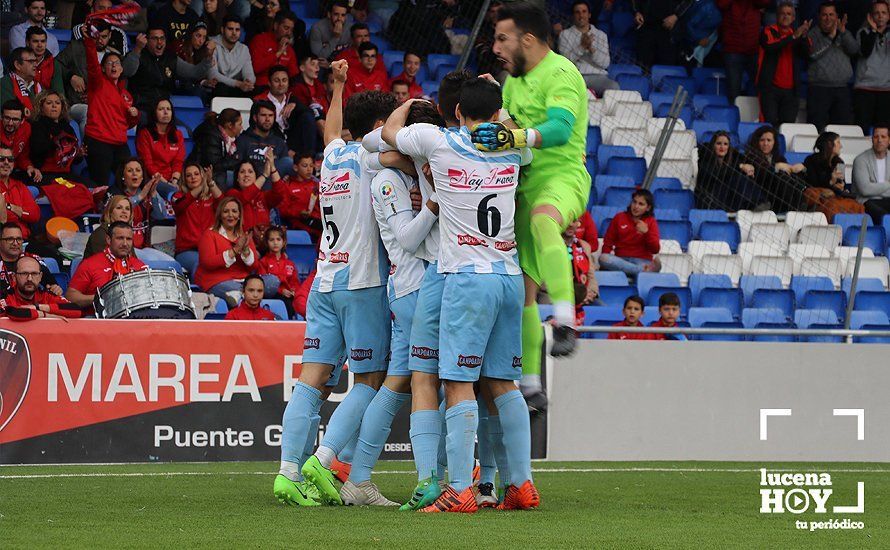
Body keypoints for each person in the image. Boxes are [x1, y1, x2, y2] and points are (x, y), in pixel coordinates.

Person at [383, 78, 537, 513]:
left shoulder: (439, 142)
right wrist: (499, 108)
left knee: (457, 382)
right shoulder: (513, 148)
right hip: (509, 276)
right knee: (505, 383)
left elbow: (391, 132)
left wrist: (411, 102)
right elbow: (514, 132)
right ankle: (521, 485)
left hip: (466, 277)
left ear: (454, 112)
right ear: (496, 115)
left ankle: (459, 490)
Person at [273, 61, 395, 508]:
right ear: (379, 129)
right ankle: (323, 461)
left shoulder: (334, 156)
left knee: (310, 382)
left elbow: (331, 132)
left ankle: (288, 472)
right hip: (362, 283)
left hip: (324, 281)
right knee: (369, 378)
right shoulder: (374, 157)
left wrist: (338, 87)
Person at [471, 2, 592, 397]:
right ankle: (532, 385)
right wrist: (499, 107)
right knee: (522, 288)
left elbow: (558, 129)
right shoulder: (514, 80)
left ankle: (565, 321)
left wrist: (515, 136)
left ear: (528, 39)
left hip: (562, 177)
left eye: (502, 38)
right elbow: (513, 128)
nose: (496, 46)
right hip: (522, 185)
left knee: (544, 220)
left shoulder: (561, 72)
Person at [340, 102, 443, 506]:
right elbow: (405, 238)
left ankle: (359, 478)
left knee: (397, 382)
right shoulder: (388, 177)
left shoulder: (399, 166)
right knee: (437, 382)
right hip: (416, 287)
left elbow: (375, 146)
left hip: (407, 288)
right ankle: (436, 478)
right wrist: (432, 206)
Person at [55, 21, 142, 136]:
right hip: (77, 103)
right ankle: (88, 150)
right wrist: (70, 75)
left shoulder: (112, 56)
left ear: (110, 35)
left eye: (104, 37)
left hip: (104, 105)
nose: (100, 40)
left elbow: (126, 73)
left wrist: (137, 49)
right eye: (96, 36)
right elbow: (56, 63)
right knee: (88, 111)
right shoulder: (76, 47)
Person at [81, 29, 140, 187]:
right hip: (98, 141)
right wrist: (90, 43)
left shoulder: (126, 95)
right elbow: (92, 64)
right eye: (109, 63)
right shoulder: (98, 83)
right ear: (103, 69)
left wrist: (134, 116)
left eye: (117, 64)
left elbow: (128, 124)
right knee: (101, 184)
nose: (114, 66)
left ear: (121, 70)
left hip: (119, 143)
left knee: (128, 181)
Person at [194, 195, 279, 300]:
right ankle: (246, 296)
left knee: (273, 281)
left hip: (244, 281)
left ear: (239, 215)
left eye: (234, 211)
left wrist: (246, 251)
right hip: (217, 281)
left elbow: (254, 266)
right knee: (241, 289)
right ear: (220, 215)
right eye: (226, 211)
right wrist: (234, 251)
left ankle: (242, 296)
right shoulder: (209, 234)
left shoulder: (244, 236)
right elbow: (207, 262)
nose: (230, 215)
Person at [127, 25, 214, 112]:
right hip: (142, 107)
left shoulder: (171, 58)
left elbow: (195, 73)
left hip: (164, 108)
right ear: (147, 40)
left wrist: (208, 57)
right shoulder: (137, 55)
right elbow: (127, 72)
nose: (159, 42)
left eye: (162, 38)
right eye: (155, 38)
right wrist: (137, 49)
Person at [65, 221, 148, 309]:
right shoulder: (90, 264)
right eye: (120, 238)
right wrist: (100, 298)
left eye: (129, 239)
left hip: (133, 318)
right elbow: (71, 296)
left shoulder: (139, 265)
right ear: (108, 239)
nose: (125, 243)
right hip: (96, 318)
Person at [756, 2, 810, 127]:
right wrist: (794, 36)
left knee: (787, 128)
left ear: (793, 18)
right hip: (770, 89)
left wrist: (803, 36)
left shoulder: (798, 36)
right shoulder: (768, 31)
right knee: (769, 126)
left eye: (789, 14)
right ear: (776, 16)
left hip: (791, 92)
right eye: (782, 13)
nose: (785, 16)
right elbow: (770, 47)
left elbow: (807, 54)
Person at [804, 2, 856, 132]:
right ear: (819, 17)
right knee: (816, 129)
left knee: (842, 130)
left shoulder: (844, 32)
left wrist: (843, 33)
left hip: (842, 89)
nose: (828, 18)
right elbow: (813, 54)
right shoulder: (812, 34)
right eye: (824, 15)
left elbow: (854, 50)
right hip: (819, 89)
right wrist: (831, 38)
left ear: (836, 16)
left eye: (831, 14)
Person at [559, 0, 618, 96]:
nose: (581, 15)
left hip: (598, 76)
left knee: (614, 87)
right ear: (573, 16)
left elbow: (605, 63)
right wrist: (581, 47)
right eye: (577, 12)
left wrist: (591, 49)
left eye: (584, 12)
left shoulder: (601, 35)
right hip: (575, 76)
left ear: (589, 15)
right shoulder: (565, 34)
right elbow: (565, 62)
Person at [254, 65, 318, 155]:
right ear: (269, 83)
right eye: (276, 81)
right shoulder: (260, 100)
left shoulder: (292, 99)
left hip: (293, 143)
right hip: (270, 143)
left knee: (307, 117)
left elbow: (310, 114)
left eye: (284, 80)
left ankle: (310, 156)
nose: (281, 84)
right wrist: (286, 149)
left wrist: (296, 105)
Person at [742, 125, 805, 213]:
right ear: (757, 142)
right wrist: (775, 167)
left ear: (774, 142)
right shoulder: (751, 156)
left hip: (780, 195)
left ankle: (799, 205)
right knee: (781, 176)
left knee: (791, 176)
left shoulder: (779, 158)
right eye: (762, 140)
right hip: (763, 193)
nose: (765, 144)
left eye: (769, 140)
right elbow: (760, 175)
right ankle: (796, 207)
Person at [802, 131, 864, 221]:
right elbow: (812, 183)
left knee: (857, 206)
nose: (841, 146)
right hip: (820, 198)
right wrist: (830, 181)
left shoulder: (839, 162)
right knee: (833, 207)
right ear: (829, 144)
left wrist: (840, 186)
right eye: (838, 142)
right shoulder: (811, 160)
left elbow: (841, 183)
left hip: (836, 195)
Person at [172, 162, 222, 273]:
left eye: (196, 174)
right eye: (189, 175)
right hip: (186, 251)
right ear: (184, 179)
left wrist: (211, 183)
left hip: (210, 249)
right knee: (200, 264)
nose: (193, 177)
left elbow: (223, 204)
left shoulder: (210, 197)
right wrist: (202, 185)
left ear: (202, 176)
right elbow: (180, 205)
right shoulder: (178, 196)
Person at [716, 0, 769, 103]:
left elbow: (765, 2)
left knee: (761, 89)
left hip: (753, 47)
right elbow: (721, 4)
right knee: (733, 91)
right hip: (732, 47)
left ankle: (759, 117)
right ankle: (733, 117)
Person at [695, 130, 762, 211]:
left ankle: (758, 203)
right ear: (713, 145)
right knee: (738, 177)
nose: (722, 147)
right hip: (711, 198)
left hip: (729, 198)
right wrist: (740, 166)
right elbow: (717, 175)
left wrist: (749, 169)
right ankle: (754, 203)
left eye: (725, 144)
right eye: (719, 143)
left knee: (744, 177)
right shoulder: (705, 160)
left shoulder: (733, 160)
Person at [599, 189, 661, 277]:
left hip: (642, 260)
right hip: (620, 260)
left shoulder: (651, 222)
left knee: (643, 269)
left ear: (648, 208)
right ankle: (643, 271)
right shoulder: (619, 217)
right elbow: (608, 242)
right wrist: (604, 265)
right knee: (603, 258)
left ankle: (640, 271)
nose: (636, 206)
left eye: (641, 204)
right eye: (634, 202)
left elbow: (655, 250)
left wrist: (647, 232)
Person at [2, 256, 83, 320]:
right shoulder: (5, 296)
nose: (29, 278)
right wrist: (44, 314)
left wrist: (38, 307)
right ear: (14, 277)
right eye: (24, 273)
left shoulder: (47, 295)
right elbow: (12, 312)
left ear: (40, 277)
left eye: (34, 274)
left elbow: (77, 310)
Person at [28, 90, 82, 182]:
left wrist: (79, 154)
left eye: (57, 103)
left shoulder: (67, 127)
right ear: (41, 108)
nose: (54, 106)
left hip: (66, 174)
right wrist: (56, 142)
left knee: (88, 188)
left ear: (62, 107)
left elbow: (75, 161)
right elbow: (37, 150)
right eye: (49, 103)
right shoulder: (37, 125)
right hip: (45, 174)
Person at [853, 0, 890, 133]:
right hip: (865, 88)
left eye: (884, 13)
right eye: (876, 13)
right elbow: (865, 51)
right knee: (861, 129)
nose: (880, 16)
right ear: (870, 16)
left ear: (889, 16)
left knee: (884, 132)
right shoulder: (863, 32)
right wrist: (874, 31)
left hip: (886, 89)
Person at [225, 157, 278, 245]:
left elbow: (280, 194)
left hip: (265, 245)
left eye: (250, 172)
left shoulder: (264, 196)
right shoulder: (232, 194)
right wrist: (264, 175)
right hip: (241, 246)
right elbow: (245, 197)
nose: (246, 175)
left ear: (255, 177)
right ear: (237, 179)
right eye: (242, 172)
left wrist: (272, 168)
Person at [0, 222, 60, 297]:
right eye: (10, 239)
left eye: (19, 239)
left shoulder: (34, 260)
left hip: (31, 305)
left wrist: (54, 288)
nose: (15, 243)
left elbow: (52, 284)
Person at [136, 98, 186, 185]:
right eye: (161, 109)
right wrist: (165, 183)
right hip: (152, 178)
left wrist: (174, 180)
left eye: (168, 109)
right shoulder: (145, 134)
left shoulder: (178, 134)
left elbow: (178, 161)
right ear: (154, 112)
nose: (166, 112)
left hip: (174, 179)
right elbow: (148, 163)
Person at [188, 108, 243, 188]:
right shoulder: (211, 136)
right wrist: (236, 160)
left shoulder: (233, 139)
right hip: (203, 175)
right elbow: (214, 165)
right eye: (240, 124)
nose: (241, 128)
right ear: (230, 125)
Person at [235, 100, 292, 176]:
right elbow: (238, 168)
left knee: (288, 162)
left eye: (271, 115)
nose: (268, 119)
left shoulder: (279, 142)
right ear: (255, 117)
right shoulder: (242, 140)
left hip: (273, 180)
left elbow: (285, 166)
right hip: (251, 181)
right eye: (263, 115)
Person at [272, 151, 321, 237]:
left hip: (319, 224)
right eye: (305, 166)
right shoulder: (288, 185)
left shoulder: (317, 185)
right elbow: (282, 210)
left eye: (311, 166)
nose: (309, 169)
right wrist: (299, 213)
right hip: (299, 226)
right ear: (295, 167)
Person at [249, 10, 300, 87]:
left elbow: (294, 75)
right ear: (276, 25)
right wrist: (278, 53)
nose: (289, 33)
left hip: (282, 90)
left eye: (291, 30)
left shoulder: (289, 49)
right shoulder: (260, 40)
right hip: (262, 87)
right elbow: (256, 68)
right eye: (286, 28)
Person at [210, 15, 257, 98]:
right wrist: (237, 84)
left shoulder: (243, 49)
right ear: (222, 30)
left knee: (253, 91)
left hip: (236, 88)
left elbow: (249, 72)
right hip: (216, 87)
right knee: (221, 88)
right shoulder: (212, 44)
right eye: (230, 29)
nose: (234, 33)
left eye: (237, 30)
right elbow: (213, 74)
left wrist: (248, 81)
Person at [257, 226, 298, 317]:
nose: (275, 243)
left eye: (278, 239)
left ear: (283, 242)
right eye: (272, 240)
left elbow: (294, 281)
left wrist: (293, 291)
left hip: (289, 295)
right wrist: (280, 290)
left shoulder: (290, 263)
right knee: (285, 302)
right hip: (273, 295)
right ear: (267, 243)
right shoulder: (263, 262)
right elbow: (263, 284)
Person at [852, 126, 890, 224]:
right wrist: (888, 185)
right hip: (867, 201)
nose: (879, 140)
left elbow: (870, 189)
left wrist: (875, 189)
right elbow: (865, 190)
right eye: (876, 137)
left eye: (883, 137)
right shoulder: (860, 160)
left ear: (889, 140)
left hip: (887, 200)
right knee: (884, 216)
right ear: (872, 139)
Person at [564, 217, 598, 327]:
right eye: (566, 221)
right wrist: (573, 295)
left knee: (605, 309)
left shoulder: (584, 246)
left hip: (583, 296)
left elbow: (591, 275)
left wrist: (589, 292)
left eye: (573, 221)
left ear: (578, 224)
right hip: (556, 296)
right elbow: (544, 280)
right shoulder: (549, 245)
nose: (570, 225)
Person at [0, 146, 39, 239]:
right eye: (1, 159)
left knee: (52, 253)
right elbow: (5, 220)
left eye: (10, 160)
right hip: (4, 242)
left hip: (25, 240)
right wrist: (21, 213)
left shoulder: (19, 186)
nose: (6, 162)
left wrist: (9, 207)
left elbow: (35, 215)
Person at [633, 0, 681, 69]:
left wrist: (676, 16)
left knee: (666, 68)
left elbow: (688, 2)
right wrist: (637, 12)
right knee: (643, 67)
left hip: (669, 29)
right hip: (646, 26)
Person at [291, 54, 328, 139]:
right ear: (302, 68)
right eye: (313, 64)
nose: (317, 68)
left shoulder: (319, 85)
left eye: (318, 64)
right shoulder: (296, 88)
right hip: (306, 127)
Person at [0, 48, 42, 116]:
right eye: (31, 61)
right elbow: (10, 112)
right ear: (17, 65)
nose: (35, 65)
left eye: (35, 61)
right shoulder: (4, 84)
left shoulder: (37, 85)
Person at [309, 0, 352, 65]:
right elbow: (319, 58)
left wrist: (330, 65)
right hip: (321, 66)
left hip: (342, 66)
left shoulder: (350, 28)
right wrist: (336, 37)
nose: (339, 18)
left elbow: (353, 57)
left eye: (343, 15)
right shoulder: (317, 28)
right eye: (336, 14)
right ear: (329, 14)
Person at [1, 100, 35, 176]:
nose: (10, 123)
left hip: (12, 171)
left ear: (22, 120)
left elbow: (22, 156)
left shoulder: (26, 128)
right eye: (7, 118)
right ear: (1, 117)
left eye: (15, 119)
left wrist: (29, 167)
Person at [27, 26, 63, 93]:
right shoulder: (21, 63)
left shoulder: (54, 64)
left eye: (43, 41)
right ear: (27, 43)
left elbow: (59, 93)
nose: (40, 45)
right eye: (35, 41)